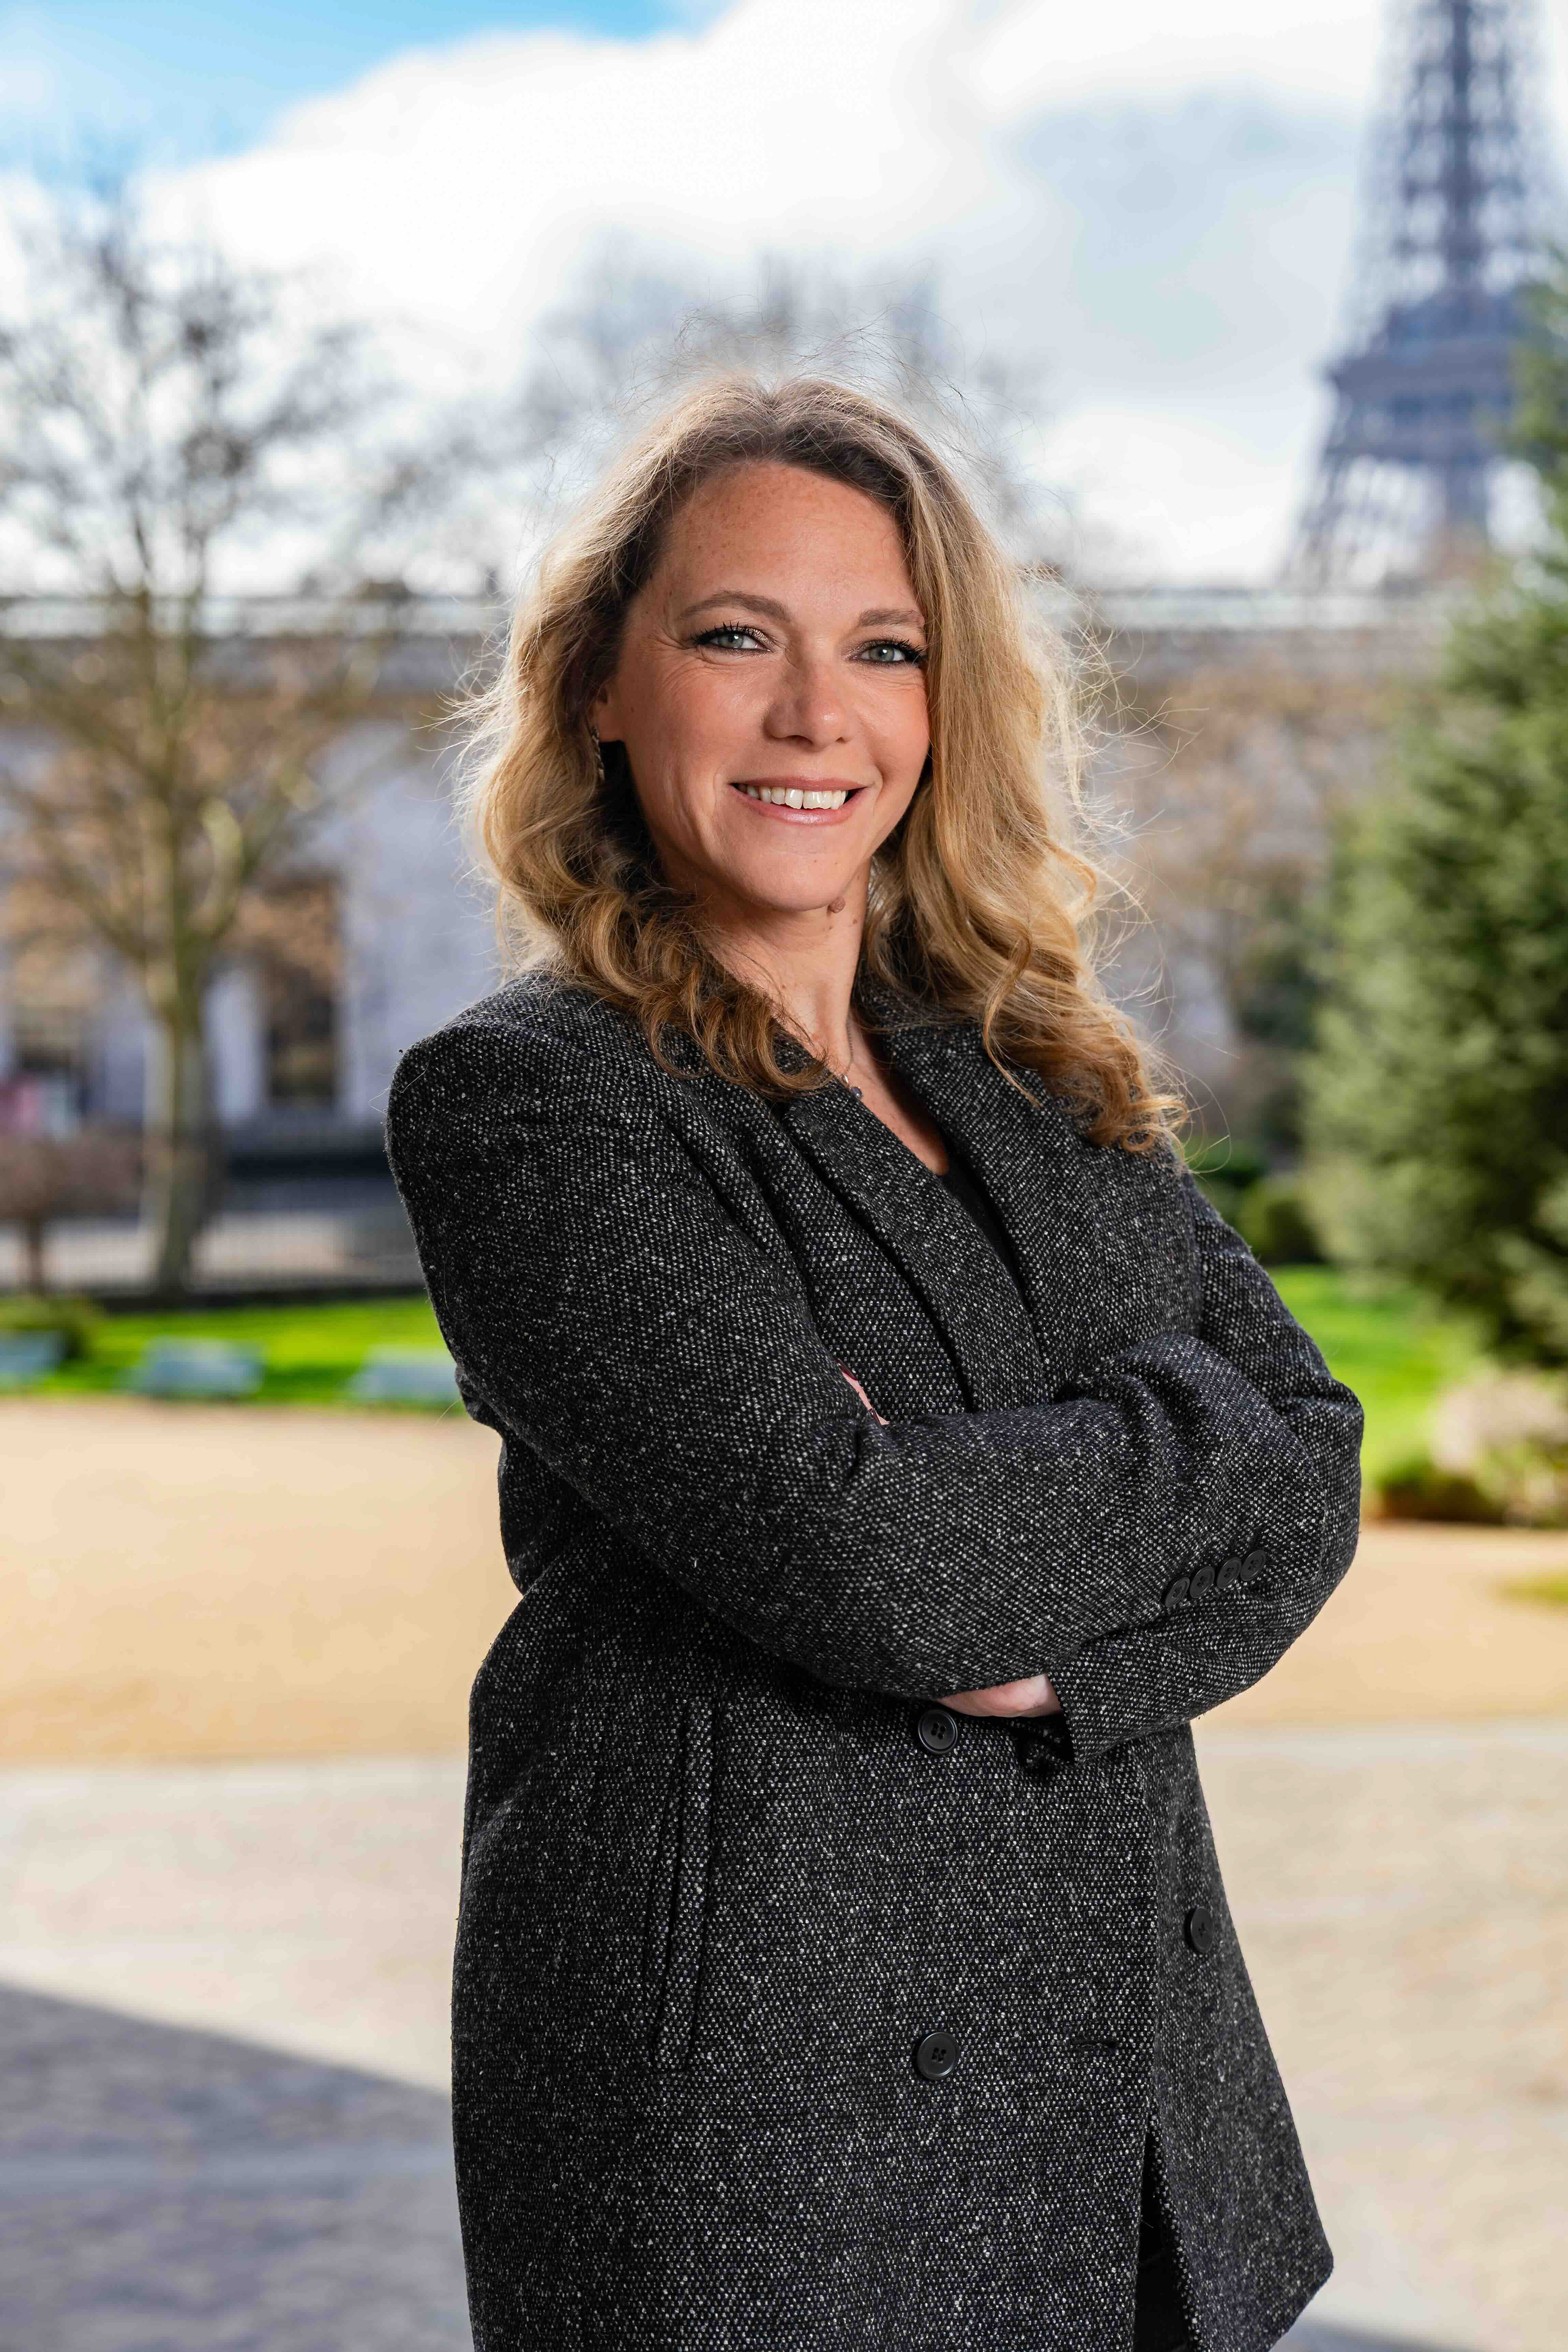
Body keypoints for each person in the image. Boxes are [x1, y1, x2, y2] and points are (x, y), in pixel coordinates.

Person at [383, 372, 1363, 2352]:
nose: (816, 716)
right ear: (601, 684)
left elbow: (1317, 1464)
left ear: (945, 703)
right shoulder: (532, 1102)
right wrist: (1167, 1455)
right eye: (738, 637)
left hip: (1124, 2086)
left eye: (885, 650)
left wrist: (1040, 1632)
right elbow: (879, 1568)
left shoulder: (1033, 1066)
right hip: (757, 2119)